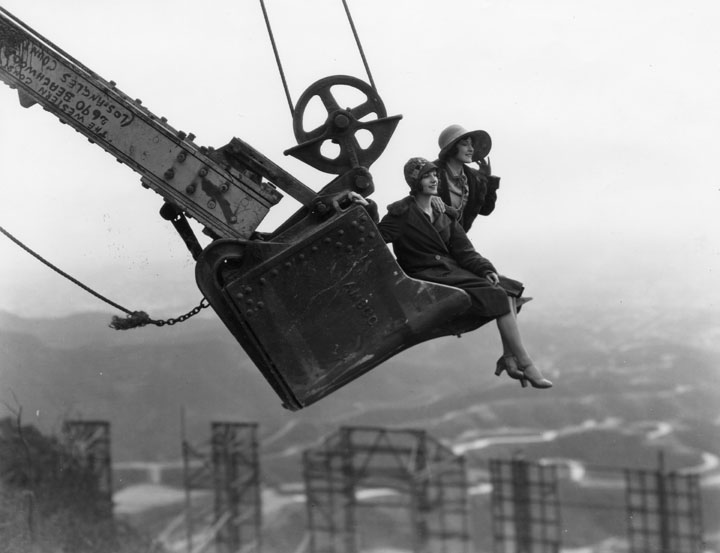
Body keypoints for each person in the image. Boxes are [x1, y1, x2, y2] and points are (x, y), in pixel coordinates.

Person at [349, 157, 552, 389]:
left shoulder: (443, 212)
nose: (434, 179)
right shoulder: (401, 214)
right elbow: (376, 237)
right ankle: (524, 362)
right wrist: (366, 207)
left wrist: (485, 269)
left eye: (435, 174)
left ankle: (510, 358)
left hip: (451, 271)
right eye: (427, 175)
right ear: (415, 181)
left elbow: (465, 251)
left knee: (509, 290)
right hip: (425, 277)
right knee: (499, 295)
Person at [430, 124, 500, 232]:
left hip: (457, 243)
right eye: (465, 144)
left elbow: (486, 209)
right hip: (430, 238)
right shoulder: (431, 171)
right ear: (452, 148)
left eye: (471, 145)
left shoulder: (473, 178)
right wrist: (430, 197)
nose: (471, 149)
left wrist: (487, 179)